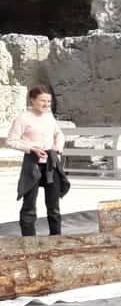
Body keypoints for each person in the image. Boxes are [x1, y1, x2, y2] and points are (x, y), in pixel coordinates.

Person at [8, 86, 68, 236]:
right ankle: (29, 241)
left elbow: (59, 134)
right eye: (43, 101)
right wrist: (31, 148)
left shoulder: (49, 116)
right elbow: (11, 141)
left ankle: (56, 238)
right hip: (32, 163)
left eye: (49, 101)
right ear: (32, 100)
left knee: (54, 206)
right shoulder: (23, 118)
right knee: (29, 205)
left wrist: (57, 147)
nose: (46, 104)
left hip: (50, 164)